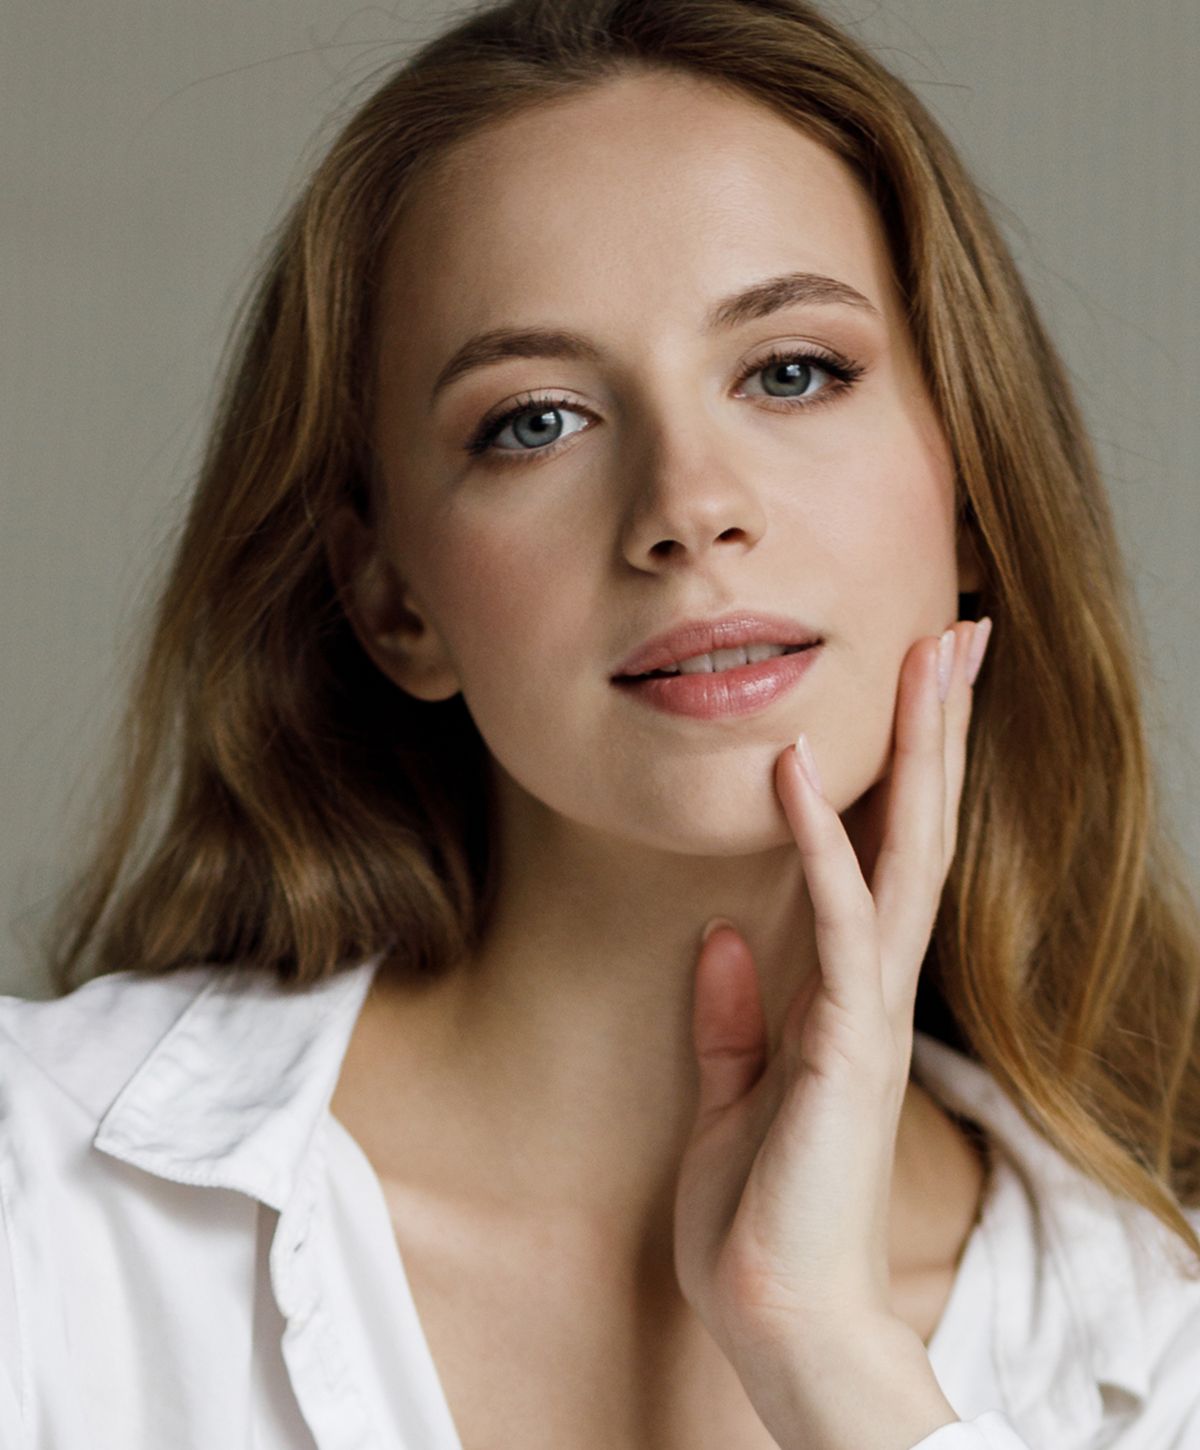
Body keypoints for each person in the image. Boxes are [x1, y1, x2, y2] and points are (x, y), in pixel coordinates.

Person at [2, 0, 1198, 1446]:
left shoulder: (1157, 1327)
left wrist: (824, 1347)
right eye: (536, 420)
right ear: (394, 599)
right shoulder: (46, 1203)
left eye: (793, 370)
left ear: (969, 497)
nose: (691, 504)